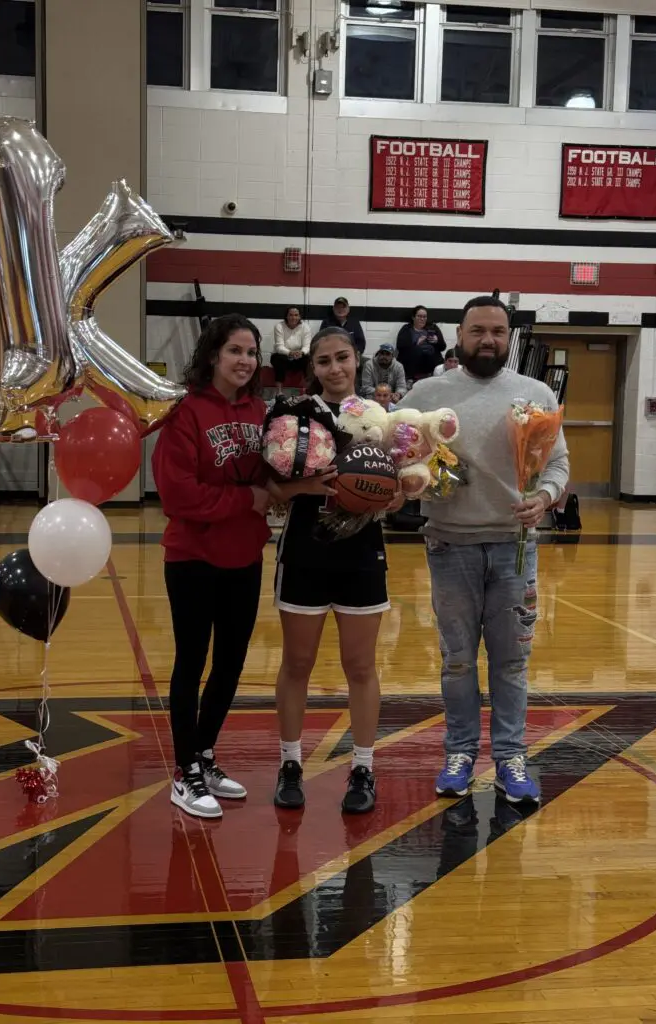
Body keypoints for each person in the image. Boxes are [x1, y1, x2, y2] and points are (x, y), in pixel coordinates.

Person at [397, 296, 569, 805]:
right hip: (450, 546)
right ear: (459, 334)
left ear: (509, 336)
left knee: (512, 663)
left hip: (516, 549)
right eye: (478, 330)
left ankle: (512, 756)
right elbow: (399, 454)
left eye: (497, 331)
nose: (488, 339)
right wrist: (417, 480)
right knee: (456, 661)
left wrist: (543, 497)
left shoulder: (534, 393)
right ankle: (460, 753)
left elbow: (558, 465)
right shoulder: (428, 392)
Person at [269, 327, 404, 816]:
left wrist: (398, 492)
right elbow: (272, 484)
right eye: (323, 361)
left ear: (357, 360)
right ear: (312, 368)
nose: (334, 368)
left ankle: (363, 766)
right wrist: (303, 484)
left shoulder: (382, 420)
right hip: (305, 549)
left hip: (362, 553)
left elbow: (403, 486)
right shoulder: (292, 415)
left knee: (361, 666)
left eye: (342, 358)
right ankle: (290, 763)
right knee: (298, 664)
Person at [152, 313, 272, 820]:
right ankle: (184, 772)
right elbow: (178, 495)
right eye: (235, 351)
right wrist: (248, 499)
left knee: (230, 665)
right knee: (191, 663)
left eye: (251, 352)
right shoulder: (185, 413)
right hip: (193, 558)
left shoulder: (262, 412)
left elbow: (275, 479)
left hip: (245, 557)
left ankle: (204, 756)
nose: (245, 361)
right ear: (212, 356)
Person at [396, 305, 445, 382]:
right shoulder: (407, 329)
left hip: (431, 361)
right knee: (417, 351)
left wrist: (437, 341)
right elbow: (400, 347)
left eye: (424, 317)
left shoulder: (433, 327)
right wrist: (416, 343)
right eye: (419, 316)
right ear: (413, 317)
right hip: (413, 362)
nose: (422, 319)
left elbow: (443, 347)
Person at [271, 307, 312, 393]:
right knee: (279, 360)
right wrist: (290, 353)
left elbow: (307, 346)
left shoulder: (305, 327)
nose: (293, 318)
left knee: (309, 360)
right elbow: (279, 347)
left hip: (298, 356)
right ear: (286, 316)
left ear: (300, 317)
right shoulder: (279, 326)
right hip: (283, 356)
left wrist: (302, 352)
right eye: (291, 315)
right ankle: (279, 393)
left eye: (296, 315)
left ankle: (309, 390)